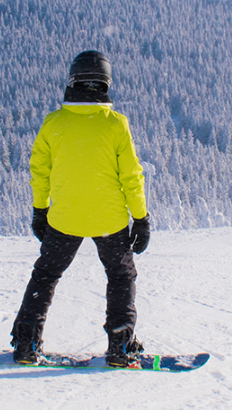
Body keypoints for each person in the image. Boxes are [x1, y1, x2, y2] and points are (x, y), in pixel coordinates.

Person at [11, 50, 153, 367]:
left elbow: (39, 171)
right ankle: (120, 347)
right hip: (110, 221)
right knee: (120, 277)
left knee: (45, 276)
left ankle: (26, 343)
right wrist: (140, 219)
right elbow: (132, 176)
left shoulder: (54, 123)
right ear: (105, 84)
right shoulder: (116, 125)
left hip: (64, 219)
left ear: (73, 80)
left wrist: (39, 210)